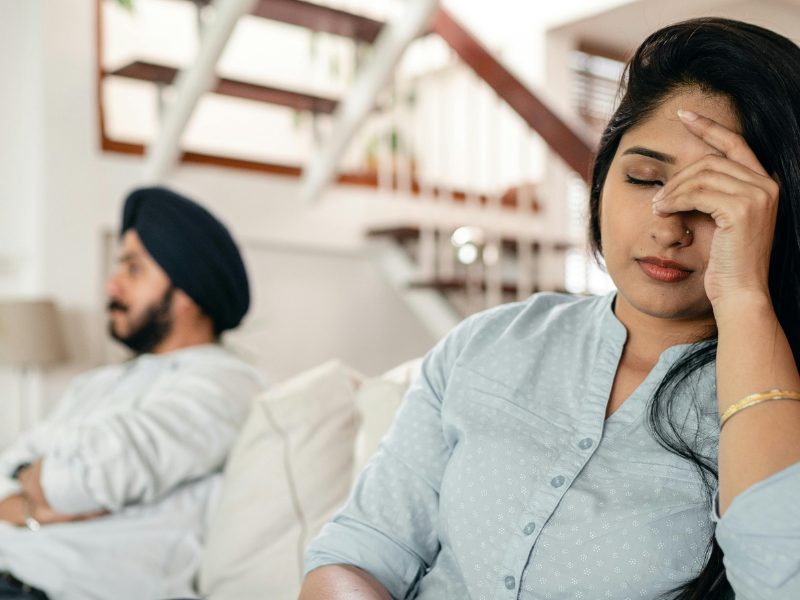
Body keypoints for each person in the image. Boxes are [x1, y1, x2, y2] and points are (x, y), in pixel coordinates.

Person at [300, 17, 800, 600]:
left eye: (716, 198)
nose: (669, 228)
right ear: (601, 180)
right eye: (643, 178)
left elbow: (781, 582)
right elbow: (357, 555)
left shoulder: (778, 407)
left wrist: (743, 296)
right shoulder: (486, 345)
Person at [0, 187, 266, 600]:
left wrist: (35, 485)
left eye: (133, 269)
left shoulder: (226, 384)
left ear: (189, 290)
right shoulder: (101, 382)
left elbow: (80, 480)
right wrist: (34, 499)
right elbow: (13, 465)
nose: (112, 285)